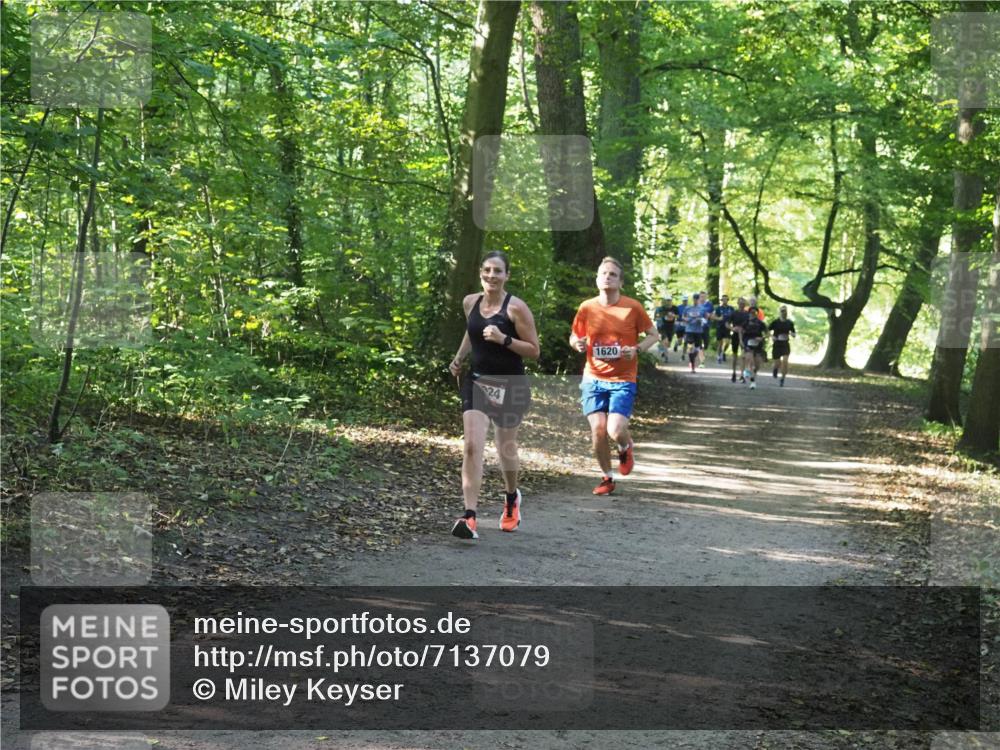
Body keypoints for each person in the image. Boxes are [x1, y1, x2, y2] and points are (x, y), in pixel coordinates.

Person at [449, 251, 540, 540]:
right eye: (487, 270)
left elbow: (534, 350)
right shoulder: (470, 302)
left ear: (506, 276)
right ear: (480, 272)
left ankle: (512, 497)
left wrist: (505, 339)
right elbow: (470, 332)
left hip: (510, 386)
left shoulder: (516, 309)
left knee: (505, 448)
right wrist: (459, 357)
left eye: (498, 271)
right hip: (476, 381)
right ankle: (470, 516)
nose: (492, 275)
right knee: (472, 446)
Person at [570, 257, 660, 496]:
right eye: (603, 273)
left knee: (615, 429)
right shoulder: (587, 307)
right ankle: (607, 478)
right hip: (593, 378)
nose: (607, 277)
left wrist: (637, 349)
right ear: (597, 278)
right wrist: (577, 344)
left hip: (623, 379)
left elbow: (654, 335)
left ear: (620, 282)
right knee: (598, 429)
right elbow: (574, 336)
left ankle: (624, 446)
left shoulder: (632, 307)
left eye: (612, 274)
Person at [740, 298, 768, 390]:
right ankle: (752, 381)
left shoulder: (760, 323)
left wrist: (762, 338)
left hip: (758, 344)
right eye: (751, 312)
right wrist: (741, 341)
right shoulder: (745, 322)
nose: (752, 314)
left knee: (757, 365)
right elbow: (741, 331)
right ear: (749, 313)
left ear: (757, 314)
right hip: (748, 343)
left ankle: (750, 373)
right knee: (750, 359)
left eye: (754, 313)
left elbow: (767, 333)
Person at [768, 305, 797, 386]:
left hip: (785, 344)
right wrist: (772, 336)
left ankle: (782, 379)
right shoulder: (775, 322)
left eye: (785, 311)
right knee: (777, 363)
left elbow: (794, 333)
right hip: (777, 344)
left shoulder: (789, 323)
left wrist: (792, 334)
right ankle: (775, 369)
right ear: (779, 312)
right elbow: (767, 330)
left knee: (785, 361)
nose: (784, 313)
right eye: (782, 311)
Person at [682, 295, 709, 373]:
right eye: (694, 299)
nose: (695, 301)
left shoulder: (702, 309)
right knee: (690, 347)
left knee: (697, 349)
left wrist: (702, 320)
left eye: (697, 299)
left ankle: (692, 359)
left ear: (699, 300)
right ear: (693, 299)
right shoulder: (688, 308)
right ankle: (692, 366)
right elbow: (683, 317)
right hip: (689, 330)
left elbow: (706, 318)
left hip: (698, 331)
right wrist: (686, 319)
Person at [727, 297, 749, 383]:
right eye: (740, 303)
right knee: (735, 355)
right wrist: (732, 328)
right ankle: (734, 373)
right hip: (735, 336)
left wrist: (745, 330)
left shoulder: (747, 314)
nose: (741, 305)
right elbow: (727, 323)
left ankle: (742, 375)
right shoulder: (734, 313)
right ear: (737, 304)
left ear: (745, 304)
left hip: (744, 336)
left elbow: (749, 324)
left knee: (743, 356)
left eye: (743, 303)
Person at [653, 296, 678, 361]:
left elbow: (678, 316)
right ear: (665, 302)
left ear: (671, 301)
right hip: (662, 326)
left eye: (669, 300)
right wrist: (662, 318)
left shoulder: (674, 308)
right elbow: (655, 318)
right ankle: (666, 357)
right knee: (665, 340)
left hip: (671, 327)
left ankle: (661, 347)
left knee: (669, 343)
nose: (668, 302)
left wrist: (673, 316)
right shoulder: (660, 309)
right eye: (667, 300)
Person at [712, 294, 735, 364]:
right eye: (723, 299)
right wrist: (719, 318)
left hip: (727, 327)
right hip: (720, 327)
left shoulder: (731, 308)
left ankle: (723, 352)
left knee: (728, 342)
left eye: (726, 299)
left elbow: (734, 317)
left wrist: (733, 326)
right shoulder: (718, 308)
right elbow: (713, 316)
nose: (724, 300)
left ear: (727, 300)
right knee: (720, 343)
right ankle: (719, 356)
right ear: (722, 300)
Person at [696, 291, 713, 367]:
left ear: (706, 297)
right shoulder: (696, 304)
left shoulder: (709, 305)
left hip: (706, 327)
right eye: (701, 296)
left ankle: (701, 352)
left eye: (704, 296)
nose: (702, 298)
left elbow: (712, 314)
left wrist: (710, 316)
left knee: (706, 344)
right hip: (698, 328)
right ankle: (701, 361)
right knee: (700, 344)